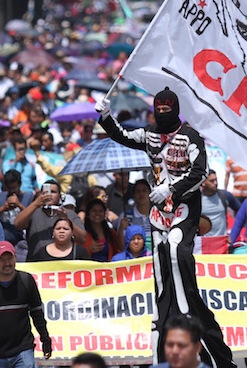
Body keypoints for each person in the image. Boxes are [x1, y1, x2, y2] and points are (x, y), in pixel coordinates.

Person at [97, 88, 235, 368]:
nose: (162, 115)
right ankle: (165, 314)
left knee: (175, 249)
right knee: (160, 260)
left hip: (184, 207)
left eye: (166, 111)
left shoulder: (190, 137)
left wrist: (171, 188)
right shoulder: (148, 135)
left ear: (175, 110)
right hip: (159, 212)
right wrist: (105, 116)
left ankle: (186, 308)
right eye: (157, 110)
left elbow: (199, 172)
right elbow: (123, 135)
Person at [0, 241, 52, 367]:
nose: (7, 263)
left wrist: (46, 340)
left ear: (15, 258)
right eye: (2, 260)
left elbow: (37, 314)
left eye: (10, 258)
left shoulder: (26, 281)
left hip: (23, 351)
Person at [15, 179, 87, 262]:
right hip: (37, 265)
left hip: (64, 264)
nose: (49, 195)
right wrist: (36, 203)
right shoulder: (33, 213)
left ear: (59, 196)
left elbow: (82, 239)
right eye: (46, 192)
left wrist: (66, 219)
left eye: (53, 192)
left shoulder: (70, 214)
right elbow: (18, 224)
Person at [0, 169, 34, 245]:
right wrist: (3, 209)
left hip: (22, 241)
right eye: (9, 188)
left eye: (15, 188)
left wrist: (19, 205)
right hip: (2, 240)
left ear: (20, 184)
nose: (12, 191)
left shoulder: (29, 197)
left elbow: (33, 219)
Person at [200, 171, 240, 237]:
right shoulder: (197, 199)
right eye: (212, 181)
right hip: (203, 242)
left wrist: (233, 232)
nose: (215, 183)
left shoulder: (225, 195)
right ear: (203, 183)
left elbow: (241, 212)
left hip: (221, 241)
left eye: (216, 180)